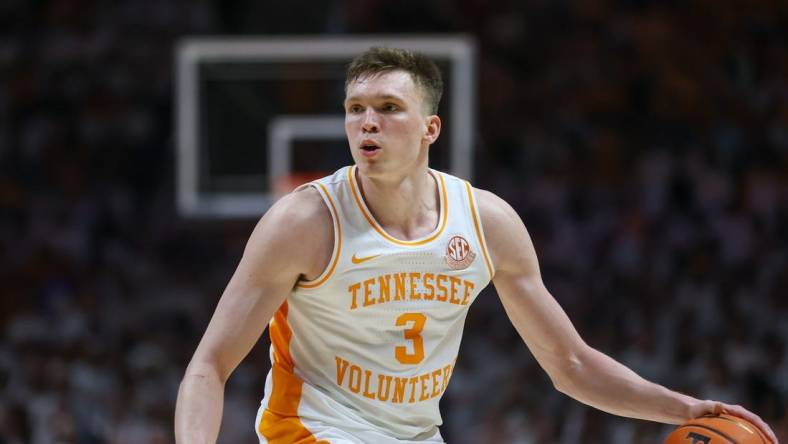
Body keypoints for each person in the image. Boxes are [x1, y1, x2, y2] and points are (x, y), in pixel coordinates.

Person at [174, 47, 778, 444]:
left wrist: (683, 408)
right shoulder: (304, 221)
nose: (367, 123)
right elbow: (209, 364)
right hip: (311, 429)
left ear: (431, 128)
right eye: (356, 109)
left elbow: (568, 364)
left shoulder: (485, 223)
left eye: (388, 108)